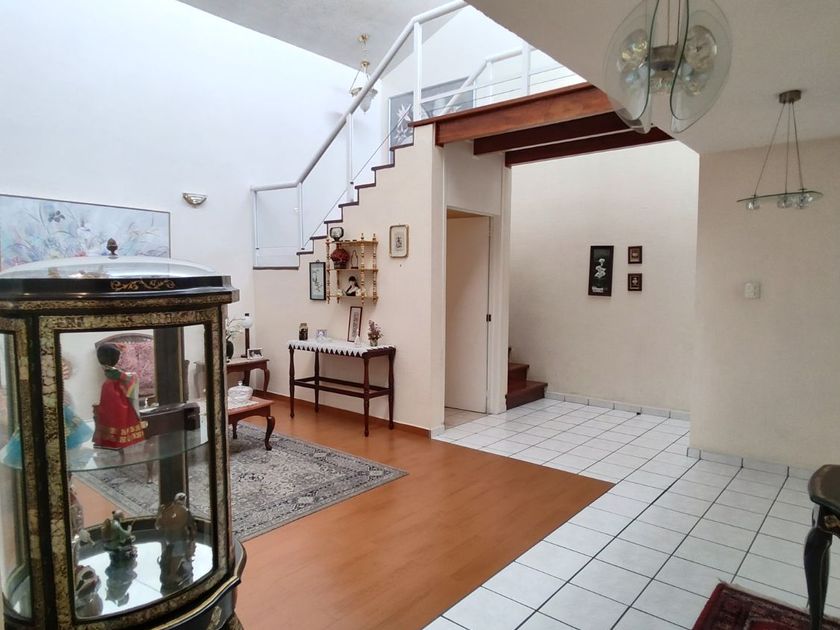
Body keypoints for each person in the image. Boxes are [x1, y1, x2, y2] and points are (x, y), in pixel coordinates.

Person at [93, 343, 145, 449]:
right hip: (116, 392)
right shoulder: (114, 372)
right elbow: (127, 378)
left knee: (109, 413)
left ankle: (109, 439)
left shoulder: (108, 370)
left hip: (108, 390)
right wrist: (133, 376)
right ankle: (119, 439)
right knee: (120, 413)